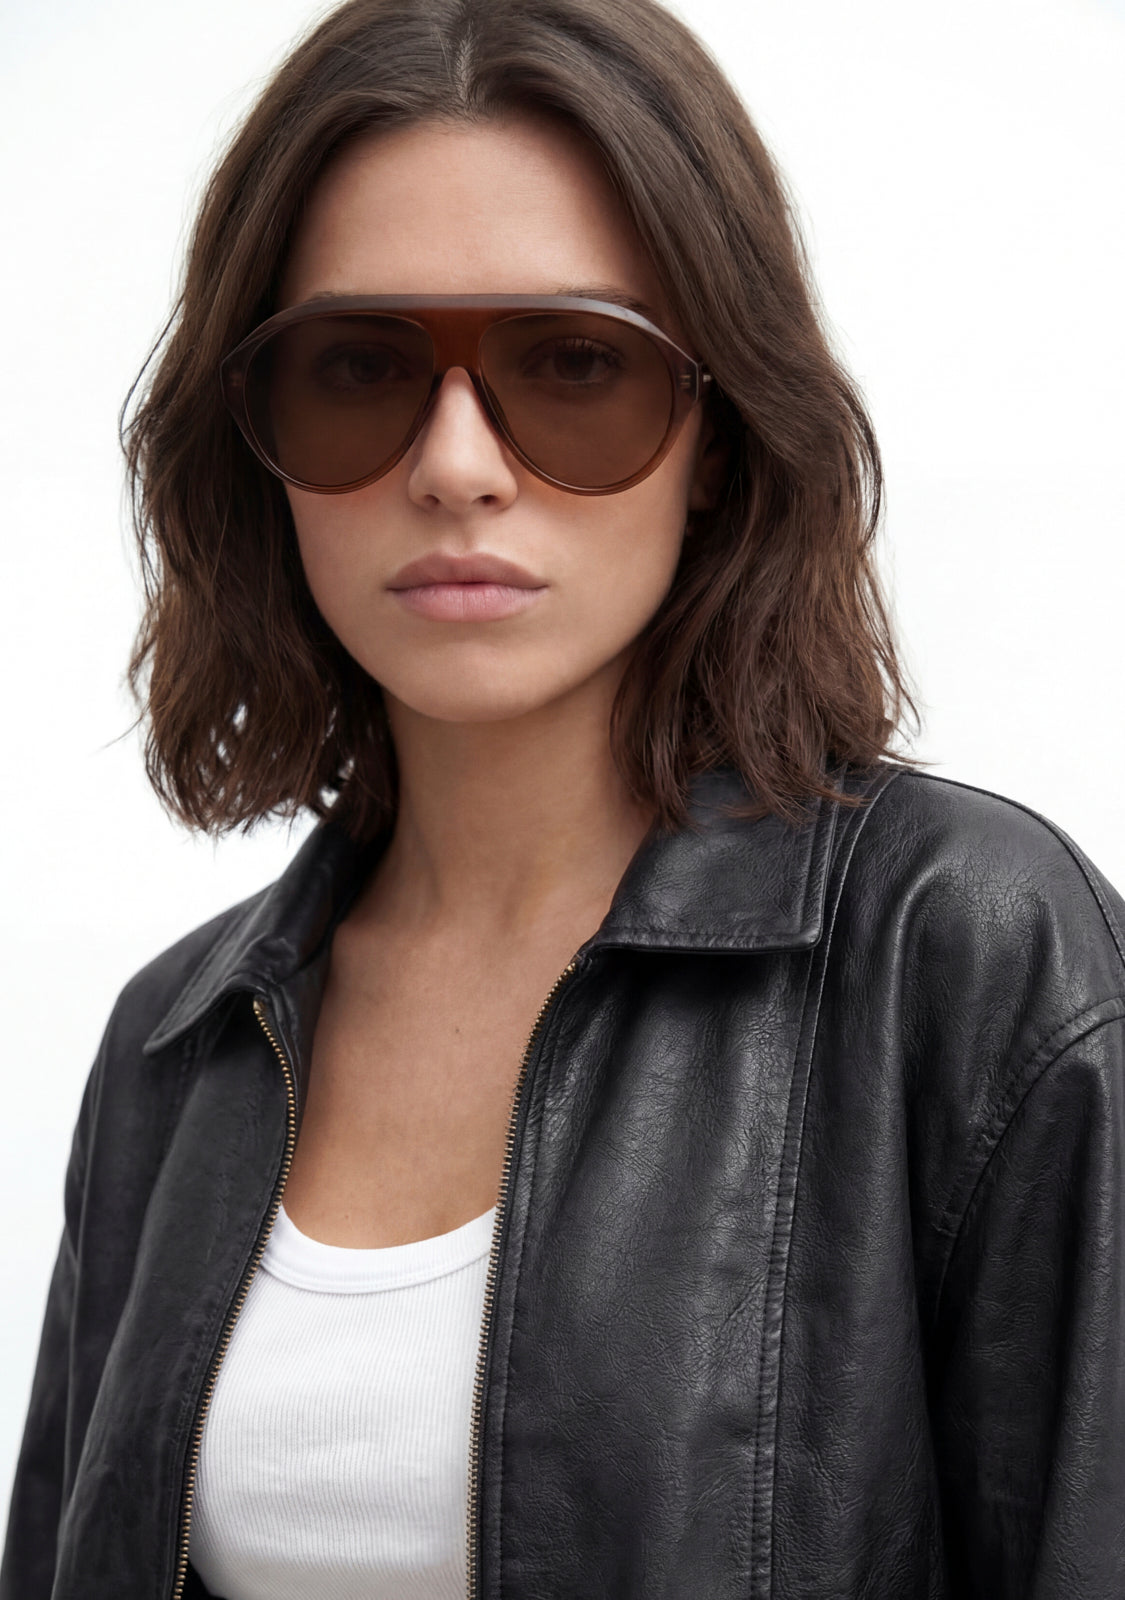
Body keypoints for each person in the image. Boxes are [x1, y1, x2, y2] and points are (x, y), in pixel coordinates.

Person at [3, 0, 1123, 1595]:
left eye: (577, 363)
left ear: (719, 434)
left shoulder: (967, 959)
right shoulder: (175, 1049)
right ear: (256, 446)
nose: (455, 465)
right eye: (356, 370)